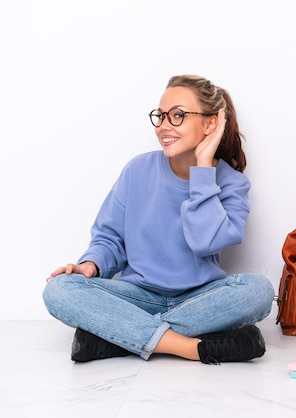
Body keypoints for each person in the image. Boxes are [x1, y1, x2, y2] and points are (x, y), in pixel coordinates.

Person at [42, 75, 275, 364]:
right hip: (137, 295)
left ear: (210, 123)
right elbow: (109, 237)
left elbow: (205, 243)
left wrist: (203, 171)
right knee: (59, 289)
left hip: (201, 298)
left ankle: (115, 337)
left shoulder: (232, 184)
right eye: (161, 116)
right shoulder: (137, 170)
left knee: (257, 290)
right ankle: (190, 347)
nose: (164, 125)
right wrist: (91, 264)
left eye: (177, 115)